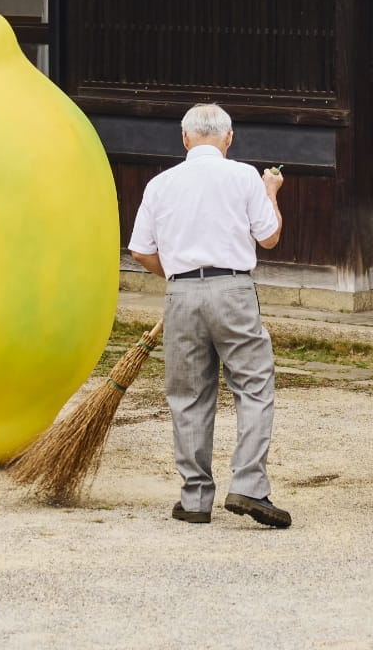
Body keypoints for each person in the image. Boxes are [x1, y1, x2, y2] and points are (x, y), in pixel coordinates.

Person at [127, 102, 291, 528]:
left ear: (185, 138)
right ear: (229, 137)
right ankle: (249, 487)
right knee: (254, 387)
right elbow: (269, 238)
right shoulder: (243, 177)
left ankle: (195, 499)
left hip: (181, 293)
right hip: (233, 289)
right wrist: (271, 193)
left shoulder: (160, 184)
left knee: (188, 396)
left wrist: (179, 280)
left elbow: (140, 249)